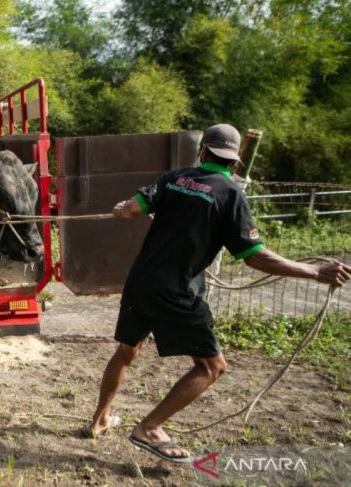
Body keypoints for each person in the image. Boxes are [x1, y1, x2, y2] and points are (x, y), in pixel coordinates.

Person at [81, 123, 351, 463]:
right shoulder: (230, 193)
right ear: (234, 162)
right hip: (177, 290)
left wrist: (122, 209)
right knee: (212, 367)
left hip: (141, 282)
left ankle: (100, 419)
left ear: (203, 152)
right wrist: (313, 271)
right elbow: (255, 256)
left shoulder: (173, 178)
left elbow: (133, 209)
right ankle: (149, 427)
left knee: (126, 351)